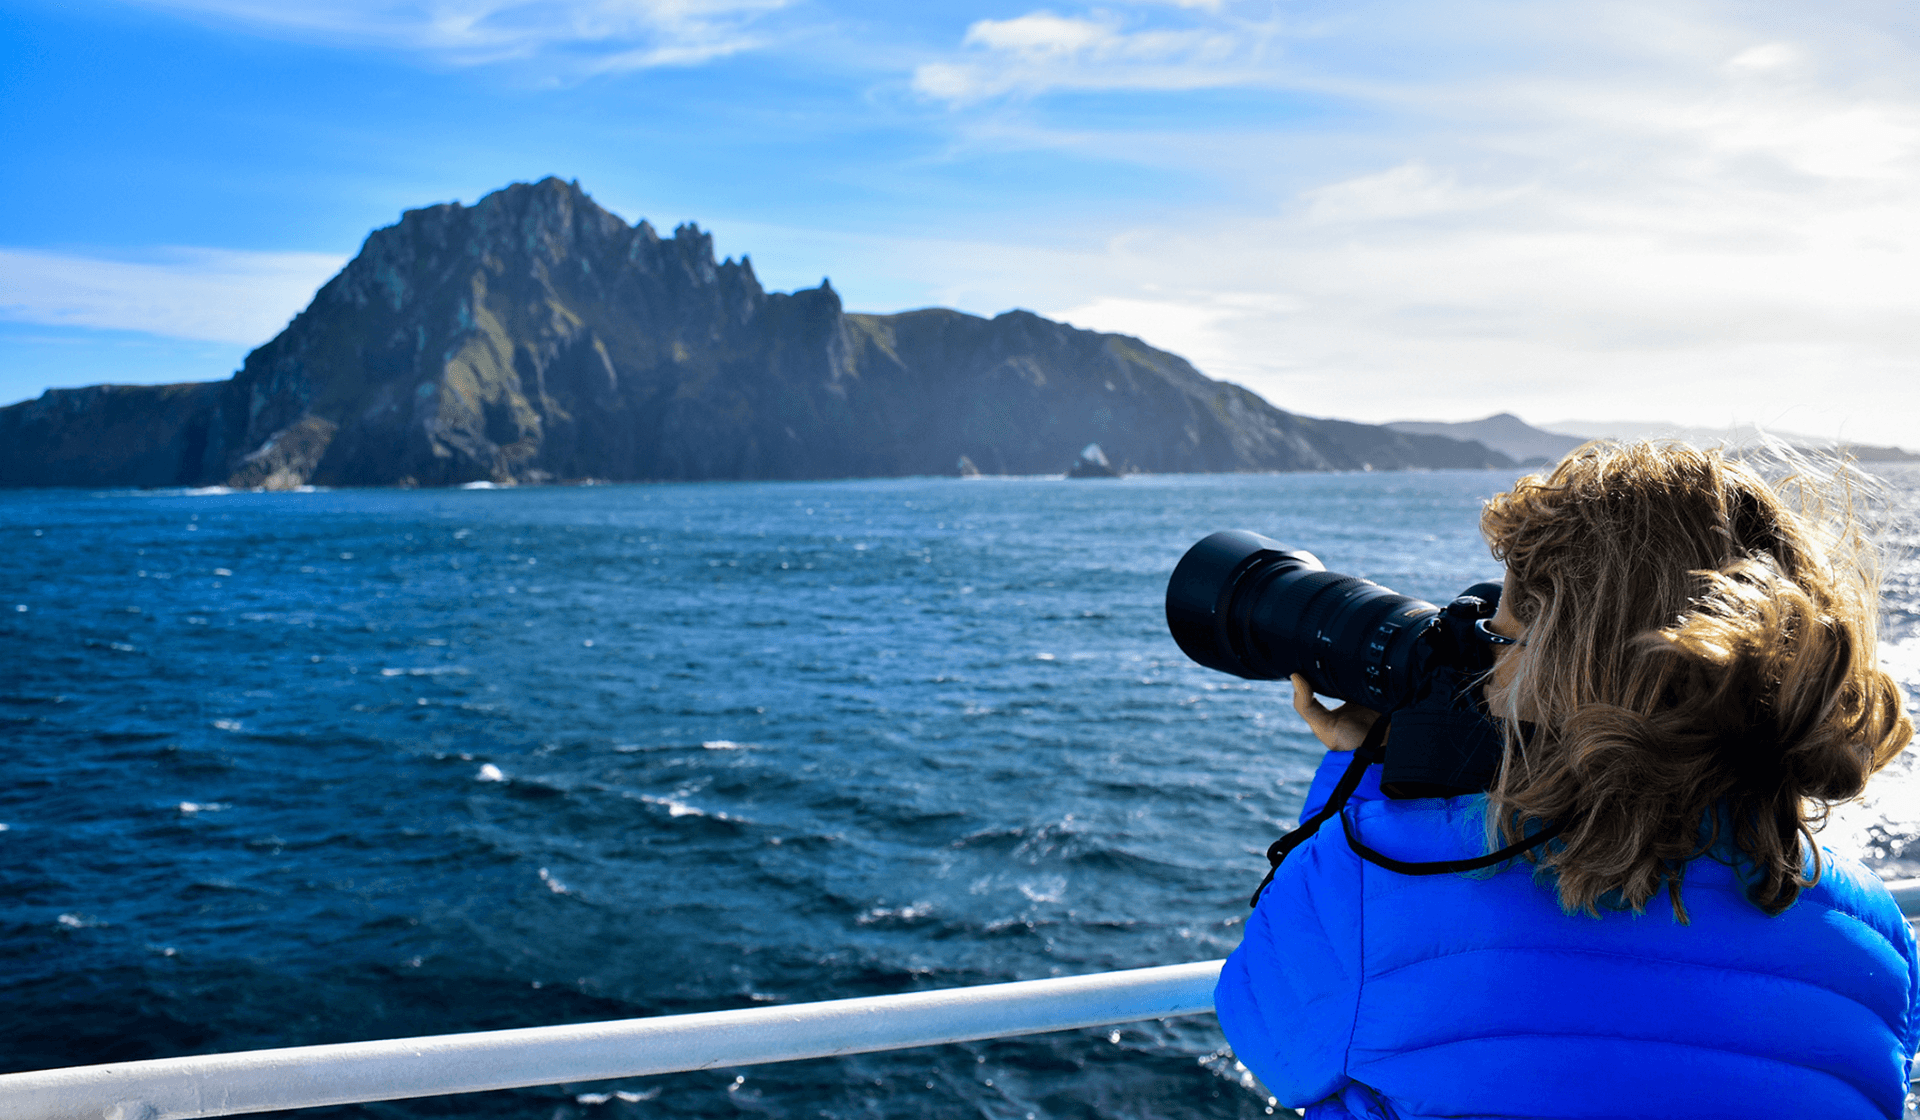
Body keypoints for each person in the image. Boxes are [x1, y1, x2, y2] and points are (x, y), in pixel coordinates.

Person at [1213, 441, 1919, 1120]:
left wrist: (1366, 772)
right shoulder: (1876, 936)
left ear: (1563, 669)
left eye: (1499, 637)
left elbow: (1268, 1038)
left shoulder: (1375, 886)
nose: (1483, 676)